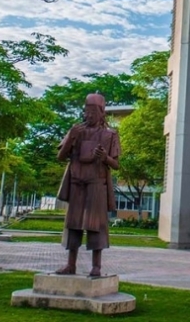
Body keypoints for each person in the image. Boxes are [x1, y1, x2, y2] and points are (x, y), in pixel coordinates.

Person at [54, 93, 121, 277]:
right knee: (73, 224)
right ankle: (71, 264)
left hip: (96, 185)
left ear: (101, 113)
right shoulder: (76, 131)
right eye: (87, 111)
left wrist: (104, 157)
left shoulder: (110, 134)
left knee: (96, 225)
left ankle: (96, 267)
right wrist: (70, 138)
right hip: (77, 184)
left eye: (93, 111)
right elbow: (60, 157)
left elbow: (116, 164)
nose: (89, 115)